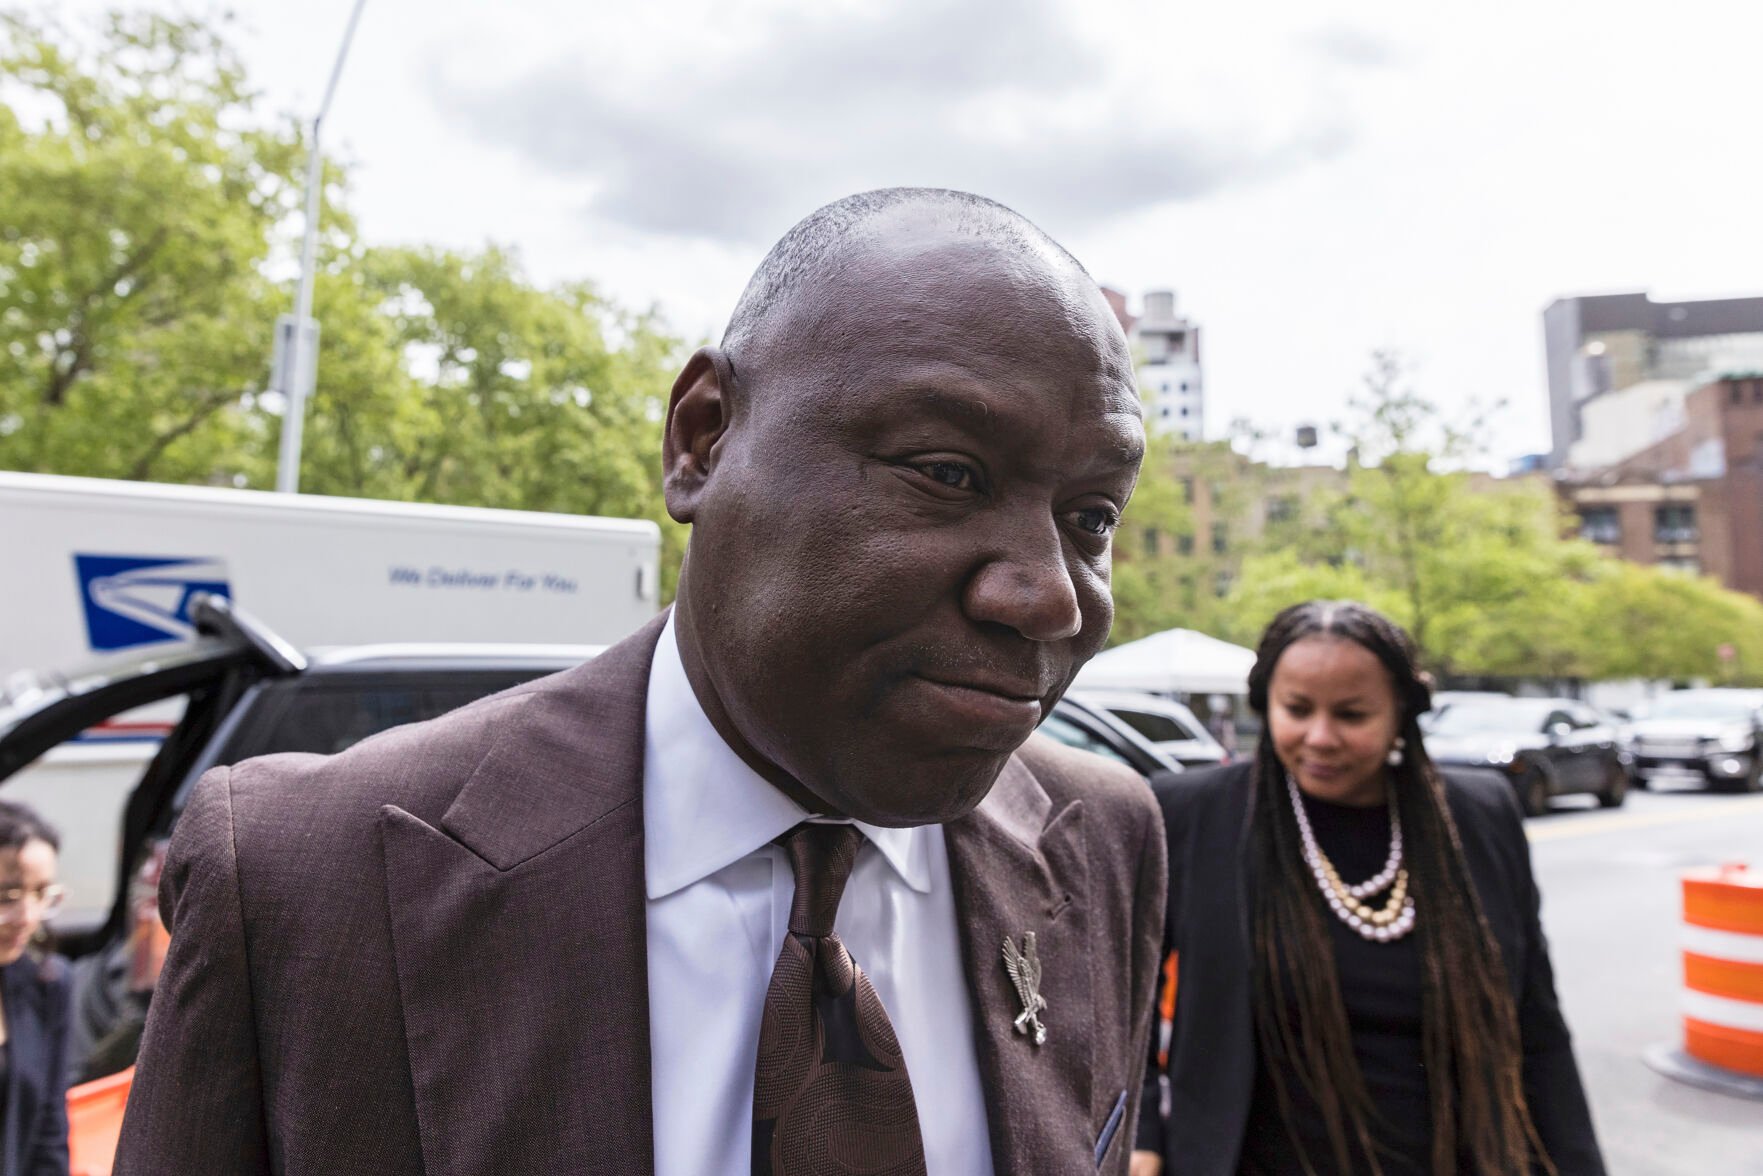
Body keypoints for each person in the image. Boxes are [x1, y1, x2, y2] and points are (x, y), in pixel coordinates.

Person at [116, 188, 1166, 1175]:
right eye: (946, 473)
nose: (1047, 598)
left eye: (1090, 518)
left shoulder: (1102, 839)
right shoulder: (307, 875)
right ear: (702, 437)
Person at [1131, 601, 1604, 1176]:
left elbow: (1537, 1022)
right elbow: (1125, 1004)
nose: (1320, 737)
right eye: (1296, 710)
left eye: (1352, 715)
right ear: (1265, 703)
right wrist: (1142, 1138)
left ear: (1401, 713)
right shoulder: (1192, 812)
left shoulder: (1477, 813)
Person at [0, 801, 73, 1176]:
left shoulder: (49, 984)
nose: (26, 917)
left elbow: (49, 1131)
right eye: (7, 897)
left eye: (41, 893)